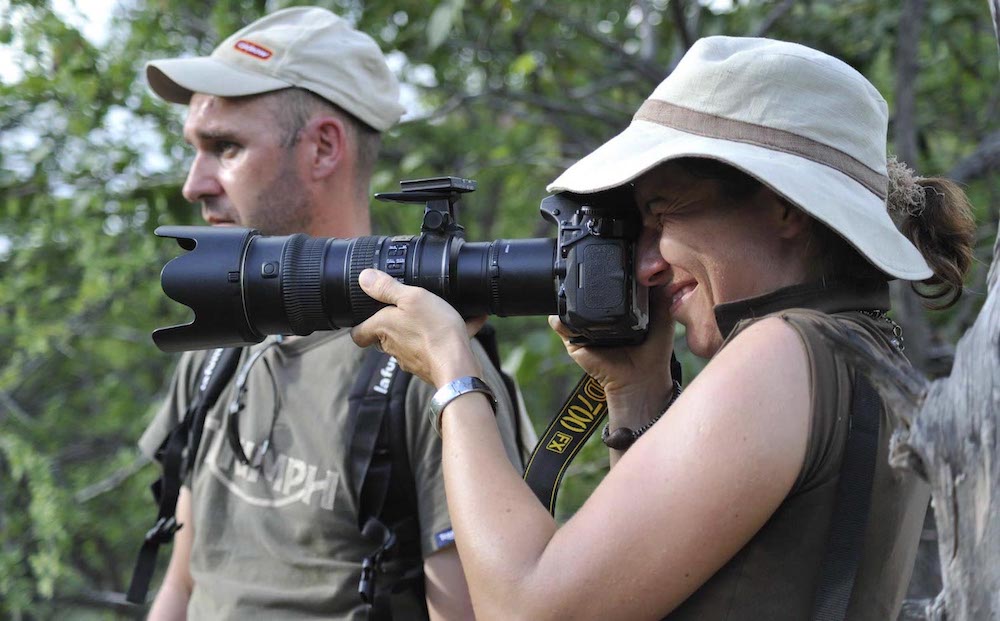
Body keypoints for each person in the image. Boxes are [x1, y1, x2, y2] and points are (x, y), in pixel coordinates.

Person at [350, 36, 977, 620]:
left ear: (784, 206)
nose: (647, 264)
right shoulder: (859, 348)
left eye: (665, 214)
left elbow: (525, 607)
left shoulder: (781, 351)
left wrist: (453, 375)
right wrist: (636, 392)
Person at [137, 7, 529, 619]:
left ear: (323, 148)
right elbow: (184, 586)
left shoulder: (430, 366)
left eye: (225, 147)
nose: (194, 183)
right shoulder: (217, 343)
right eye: (195, 149)